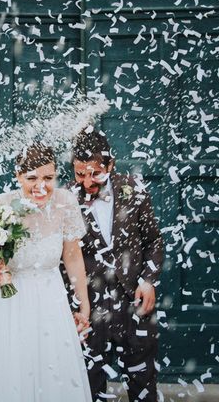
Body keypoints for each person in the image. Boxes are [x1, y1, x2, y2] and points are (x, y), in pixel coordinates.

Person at [0, 143, 92, 402]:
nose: (41, 186)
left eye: (48, 178)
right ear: (17, 176)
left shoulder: (65, 202)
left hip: (50, 298)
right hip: (8, 302)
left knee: (53, 367)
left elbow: (72, 257)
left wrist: (83, 305)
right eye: (32, 178)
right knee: (11, 369)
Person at [69, 128, 164, 402]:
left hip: (133, 302)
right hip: (87, 306)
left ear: (111, 164)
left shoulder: (134, 189)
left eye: (95, 173)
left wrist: (148, 280)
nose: (87, 182)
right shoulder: (65, 199)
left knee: (143, 382)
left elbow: (154, 241)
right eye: (79, 174)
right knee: (88, 384)